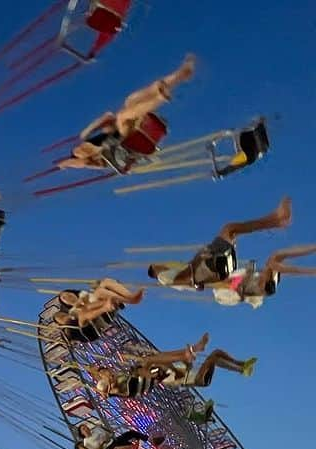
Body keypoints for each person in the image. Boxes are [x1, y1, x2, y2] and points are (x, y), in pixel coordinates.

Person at [60, 54, 196, 170]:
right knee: (122, 116)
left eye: (76, 149)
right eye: (76, 152)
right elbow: (82, 162)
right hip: (126, 144)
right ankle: (160, 98)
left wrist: (88, 130)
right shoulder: (94, 158)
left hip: (126, 132)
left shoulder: (95, 138)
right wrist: (66, 163)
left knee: (130, 100)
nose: (78, 149)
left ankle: (180, 75)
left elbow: (107, 116)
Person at [149, 196, 292, 289]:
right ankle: (276, 220)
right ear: (155, 271)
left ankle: (275, 221)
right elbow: (187, 277)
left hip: (216, 270)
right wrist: (200, 257)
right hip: (211, 265)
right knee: (230, 229)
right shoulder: (163, 277)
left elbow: (195, 285)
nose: (161, 264)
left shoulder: (170, 277)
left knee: (232, 232)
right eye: (157, 266)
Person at [89, 333, 256, 399]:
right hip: (197, 379)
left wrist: (185, 360)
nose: (110, 373)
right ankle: (192, 350)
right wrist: (101, 380)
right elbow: (109, 389)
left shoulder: (155, 374)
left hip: (191, 373)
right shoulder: (117, 389)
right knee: (153, 360)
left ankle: (241, 367)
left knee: (217, 354)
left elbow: (179, 367)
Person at [210, 243, 316, 308]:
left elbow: (237, 285)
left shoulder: (228, 284)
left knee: (277, 258)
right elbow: (240, 293)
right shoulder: (223, 293)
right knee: (276, 259)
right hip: (261, 287)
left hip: (259, 285)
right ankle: (310, 268)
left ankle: (312, 253)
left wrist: (247, 274)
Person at [54, 280, 144, 329]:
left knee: (106, 282)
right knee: (99, 292)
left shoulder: (84, 294)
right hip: (99, 318)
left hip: (105, 305)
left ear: (73, 293)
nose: (67, 297)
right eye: (64, 298)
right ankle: (125, 300)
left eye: (68, 294)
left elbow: (85, 296)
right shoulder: (73, 311)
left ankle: (130, 298)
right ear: (65, 303)